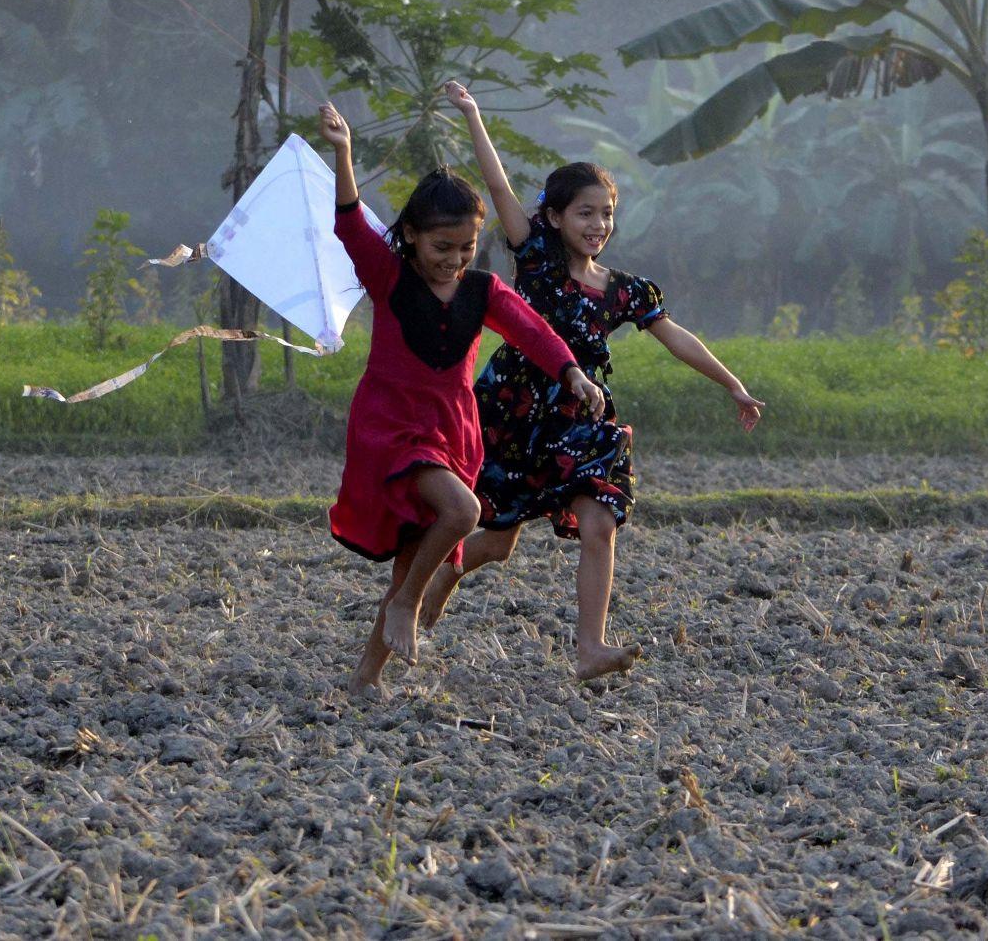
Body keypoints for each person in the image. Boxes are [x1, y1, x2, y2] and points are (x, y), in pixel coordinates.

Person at [421, 81, 764, 680]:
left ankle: (590, 647)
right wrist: (474, 114)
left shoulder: (624, 288)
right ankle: (427, 593)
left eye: (607, 213)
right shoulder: (536, 258)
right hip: (513, 413)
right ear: (554, 217)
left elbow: (676, 335)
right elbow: (498, 187)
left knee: (600, 520)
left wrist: (731, 384)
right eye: (585, 212)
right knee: (496, 541)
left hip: (582, 418)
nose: (598, 223)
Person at [320, 103, 604, 694]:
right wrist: (344, 152)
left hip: (452, 432)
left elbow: (532, 329)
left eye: (467, 248)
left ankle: (364, 679)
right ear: (413, 238)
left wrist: (572, 373)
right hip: (391, 428)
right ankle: (407, 606)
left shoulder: (483, 290)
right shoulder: (389, 276)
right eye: (441, 247)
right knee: (464, 512)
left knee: (411, 558)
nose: (453, 260)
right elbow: (348, 222)